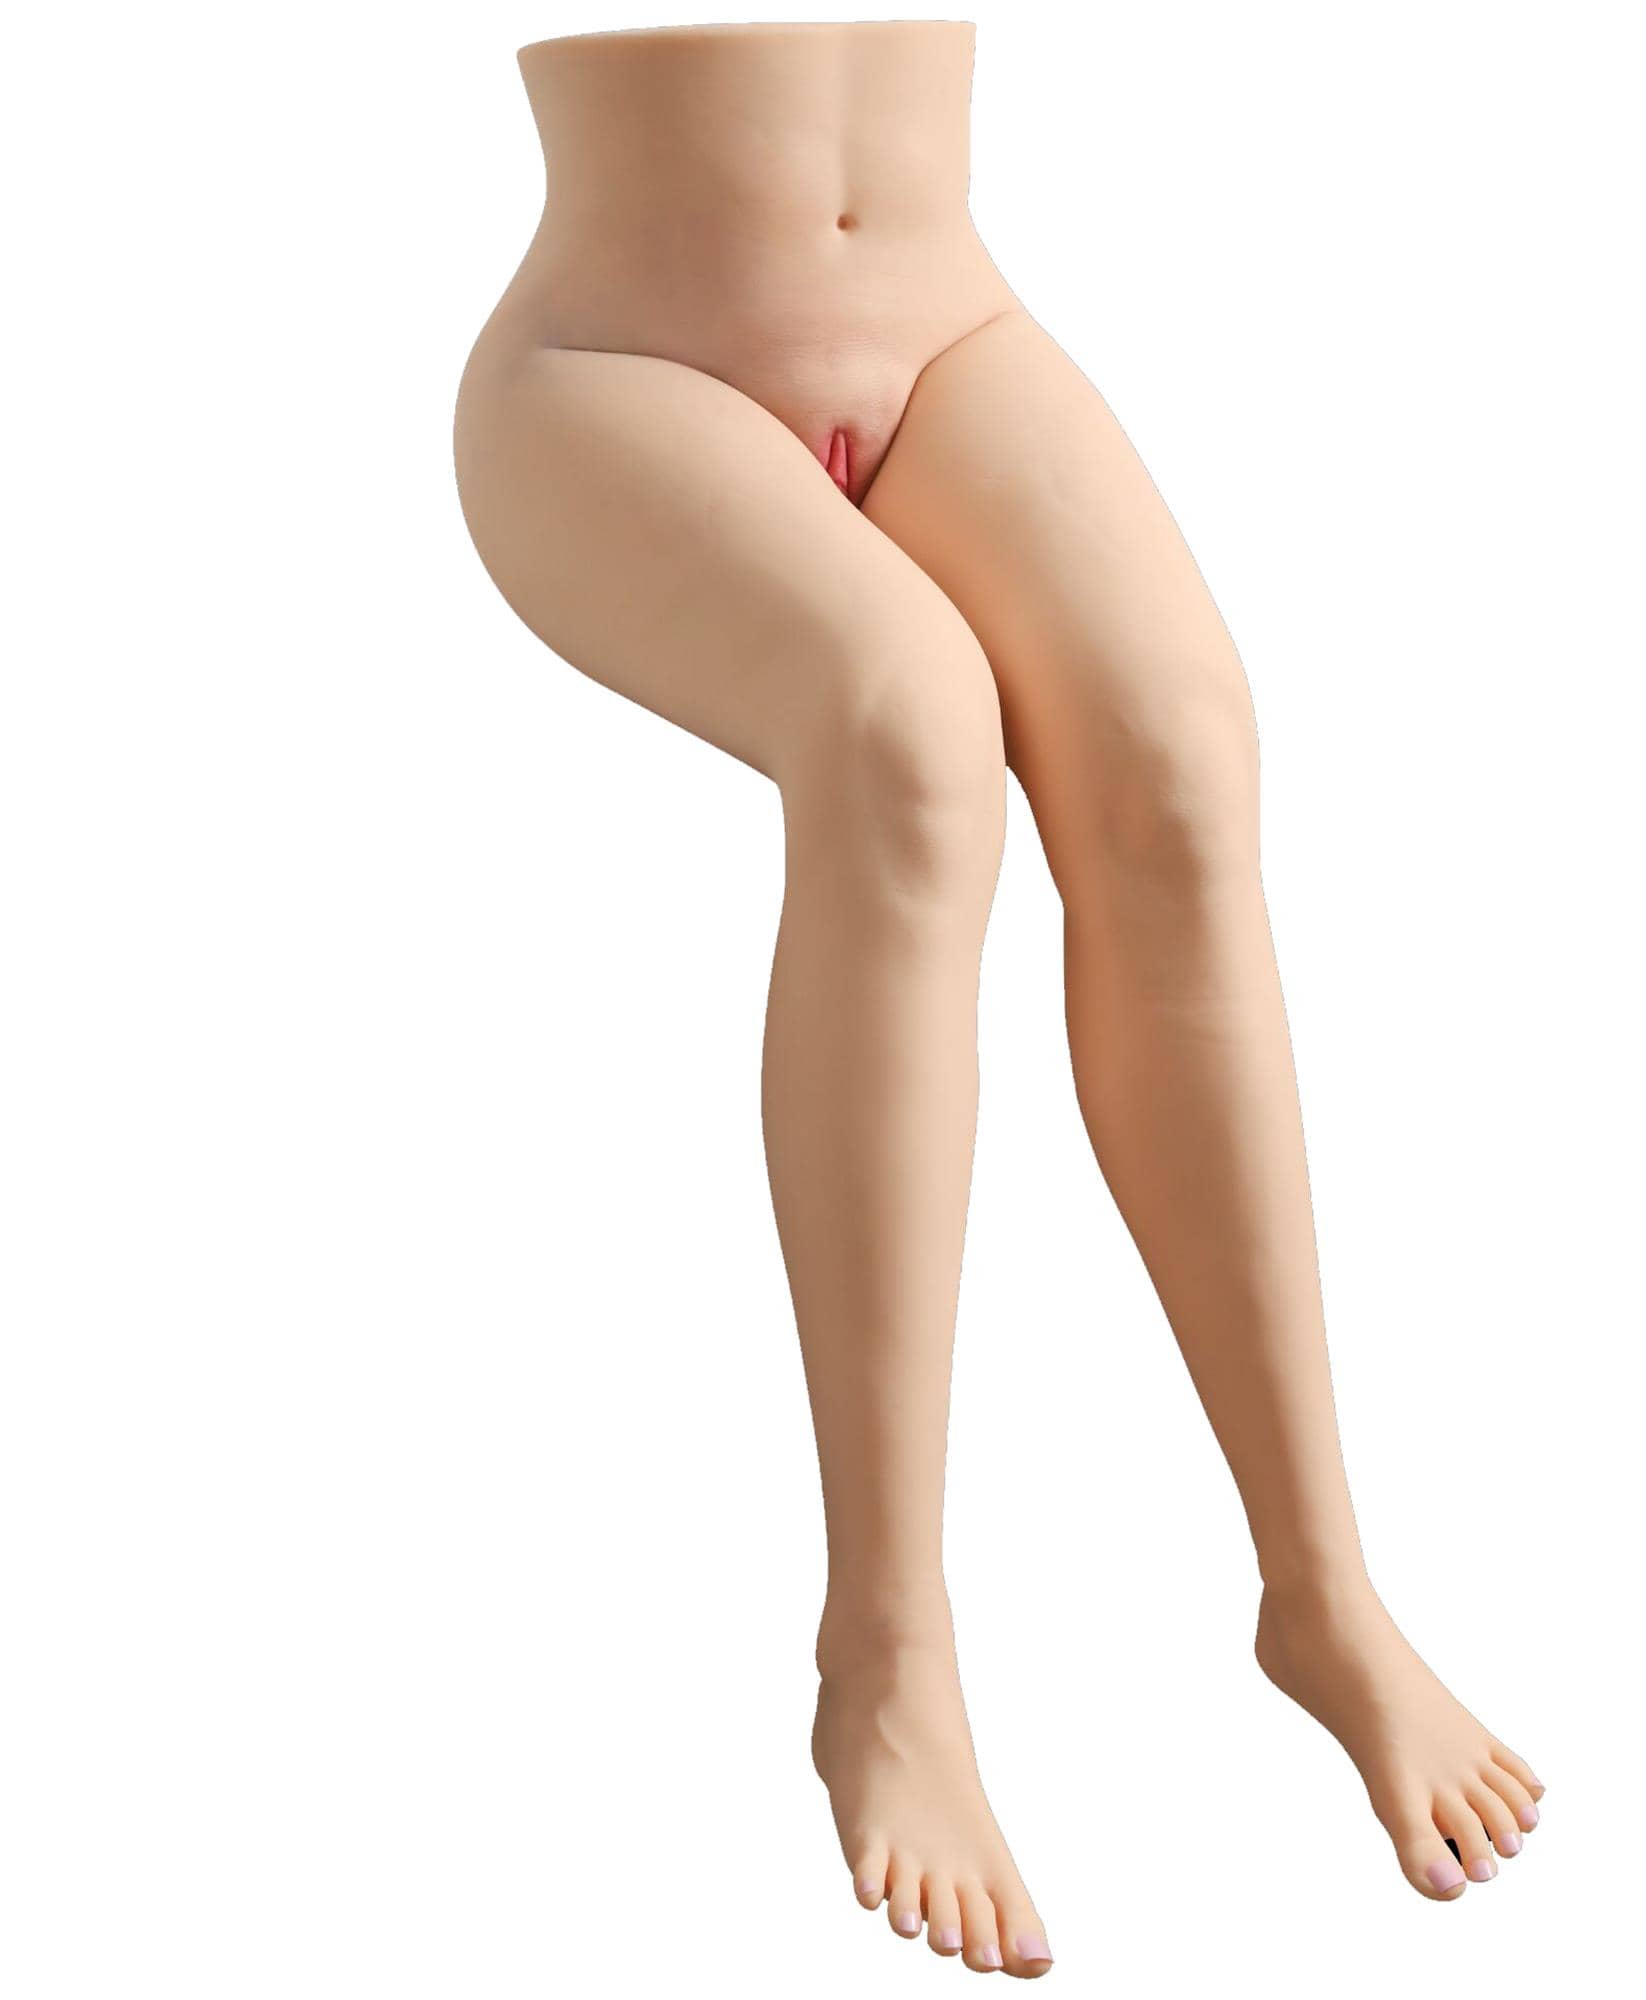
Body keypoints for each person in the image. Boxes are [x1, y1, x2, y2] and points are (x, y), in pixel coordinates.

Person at [454, 22, 1542, 1978]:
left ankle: (1319, 1590)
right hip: (613, 373)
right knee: (905, 726)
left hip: (949, 332)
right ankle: (884, 1649)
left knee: (1180, 756)